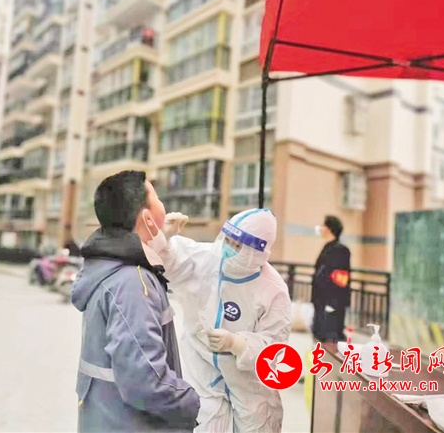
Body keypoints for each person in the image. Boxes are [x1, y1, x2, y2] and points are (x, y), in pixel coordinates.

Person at [71, 170, 200, 432]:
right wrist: (191, 402)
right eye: (158, 199)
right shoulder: (133, 282)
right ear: (148, 218)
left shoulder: (108, 267)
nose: (164, 206)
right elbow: (145, 381)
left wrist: (159, 244)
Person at [160, 208, 292, 433]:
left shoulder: (273, 291)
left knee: (258, 424)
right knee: (203, 423)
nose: (228, 248)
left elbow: (275, 348)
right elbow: (170, 262)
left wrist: (238, 344)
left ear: (259, 253)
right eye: (228, 240)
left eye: (238, 245)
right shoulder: (207, 259)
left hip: (248, 381)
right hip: (200, 365)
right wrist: (164, 238)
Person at [311, 215, 351, 344]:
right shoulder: (328, 248)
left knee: (330, 338)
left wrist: (332, 302)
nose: (321, 229)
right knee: (319, 335)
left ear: (329, 229)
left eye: (323, 226)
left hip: (332, 302)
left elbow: (341, 278)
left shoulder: (340, 250)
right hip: (321, 300)